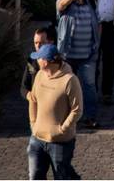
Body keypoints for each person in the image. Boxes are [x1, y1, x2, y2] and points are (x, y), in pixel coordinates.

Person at [26, 43, 82, 180]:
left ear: (46, 61)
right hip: (37, 138)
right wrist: (33, 123)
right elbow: (33, 99)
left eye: (38, 58)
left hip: (60, 142)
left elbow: (77, 109)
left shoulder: (70, 80)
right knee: (34, 176)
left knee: (61, 176)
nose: (36, 60)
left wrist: (62, 129)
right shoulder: (39, 75)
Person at [55, 0, 99, 129]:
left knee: (89, 85)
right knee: (65, 86)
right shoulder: (64, 3)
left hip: (88, 54)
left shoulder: (91, 3)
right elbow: (60, 5)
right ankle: (65, 116)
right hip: (67, 55)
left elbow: (97, 22)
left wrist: (96, 43)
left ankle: (90, 117)